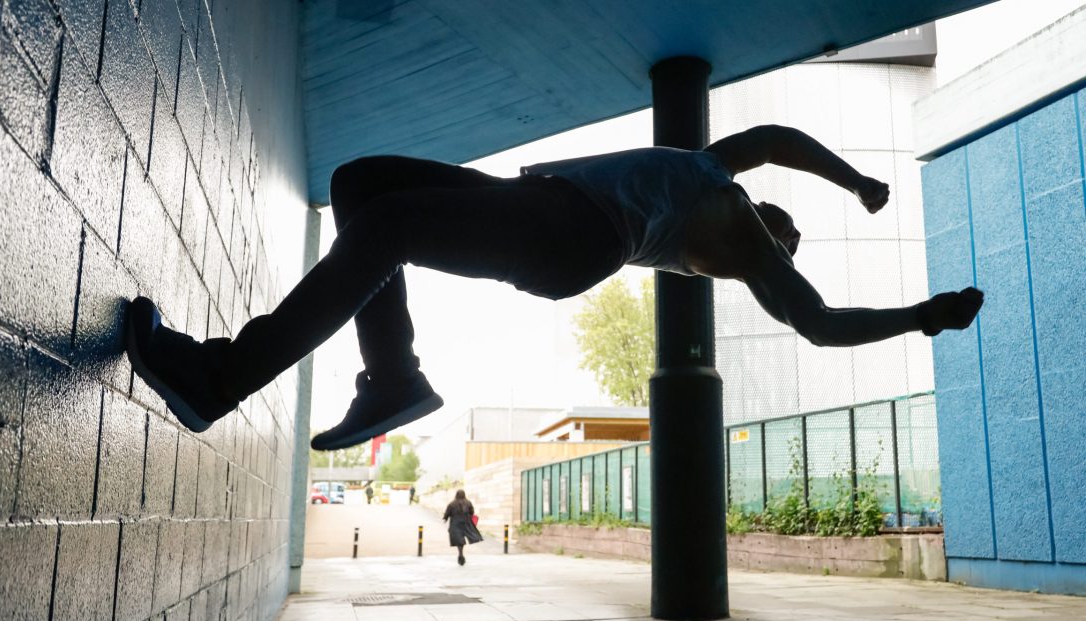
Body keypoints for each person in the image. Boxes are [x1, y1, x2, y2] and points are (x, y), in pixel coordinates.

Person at [126, 125, 984, 445]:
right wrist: (854, 182)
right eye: (779, 219)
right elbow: (773, 139)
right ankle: (392, 379)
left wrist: (920, 315)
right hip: (539, 203)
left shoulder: (747, 240)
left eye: (784, 238)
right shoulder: (714, 172)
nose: (777, 228)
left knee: (386, 231)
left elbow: (821, 323)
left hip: (574, 234)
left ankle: (223, 378)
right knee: (363, 186)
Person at [443, 489, 482, 566]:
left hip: (455, 524)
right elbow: (472, 512)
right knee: (464, 537)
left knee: (459, 539)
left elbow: (447, 513)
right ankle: (461, 554)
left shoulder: (452, 504)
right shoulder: (468, 502)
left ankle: (460, 553)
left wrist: (445, 518)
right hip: (466, 523)